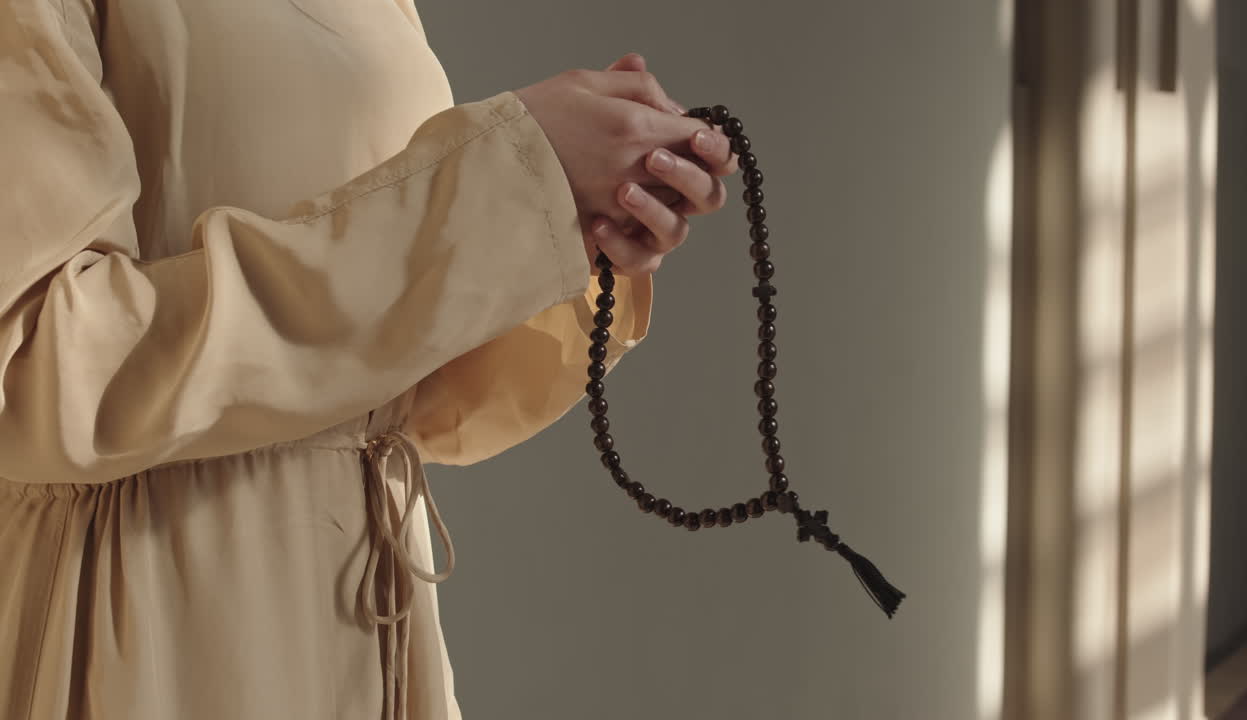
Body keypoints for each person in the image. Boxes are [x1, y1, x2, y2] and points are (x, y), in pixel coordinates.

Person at [0, 0, 738, 718]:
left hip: (372, 613)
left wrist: (568, 223)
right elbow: (36, 367)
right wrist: (504, 183)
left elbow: (416, 406)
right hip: (151, 618)